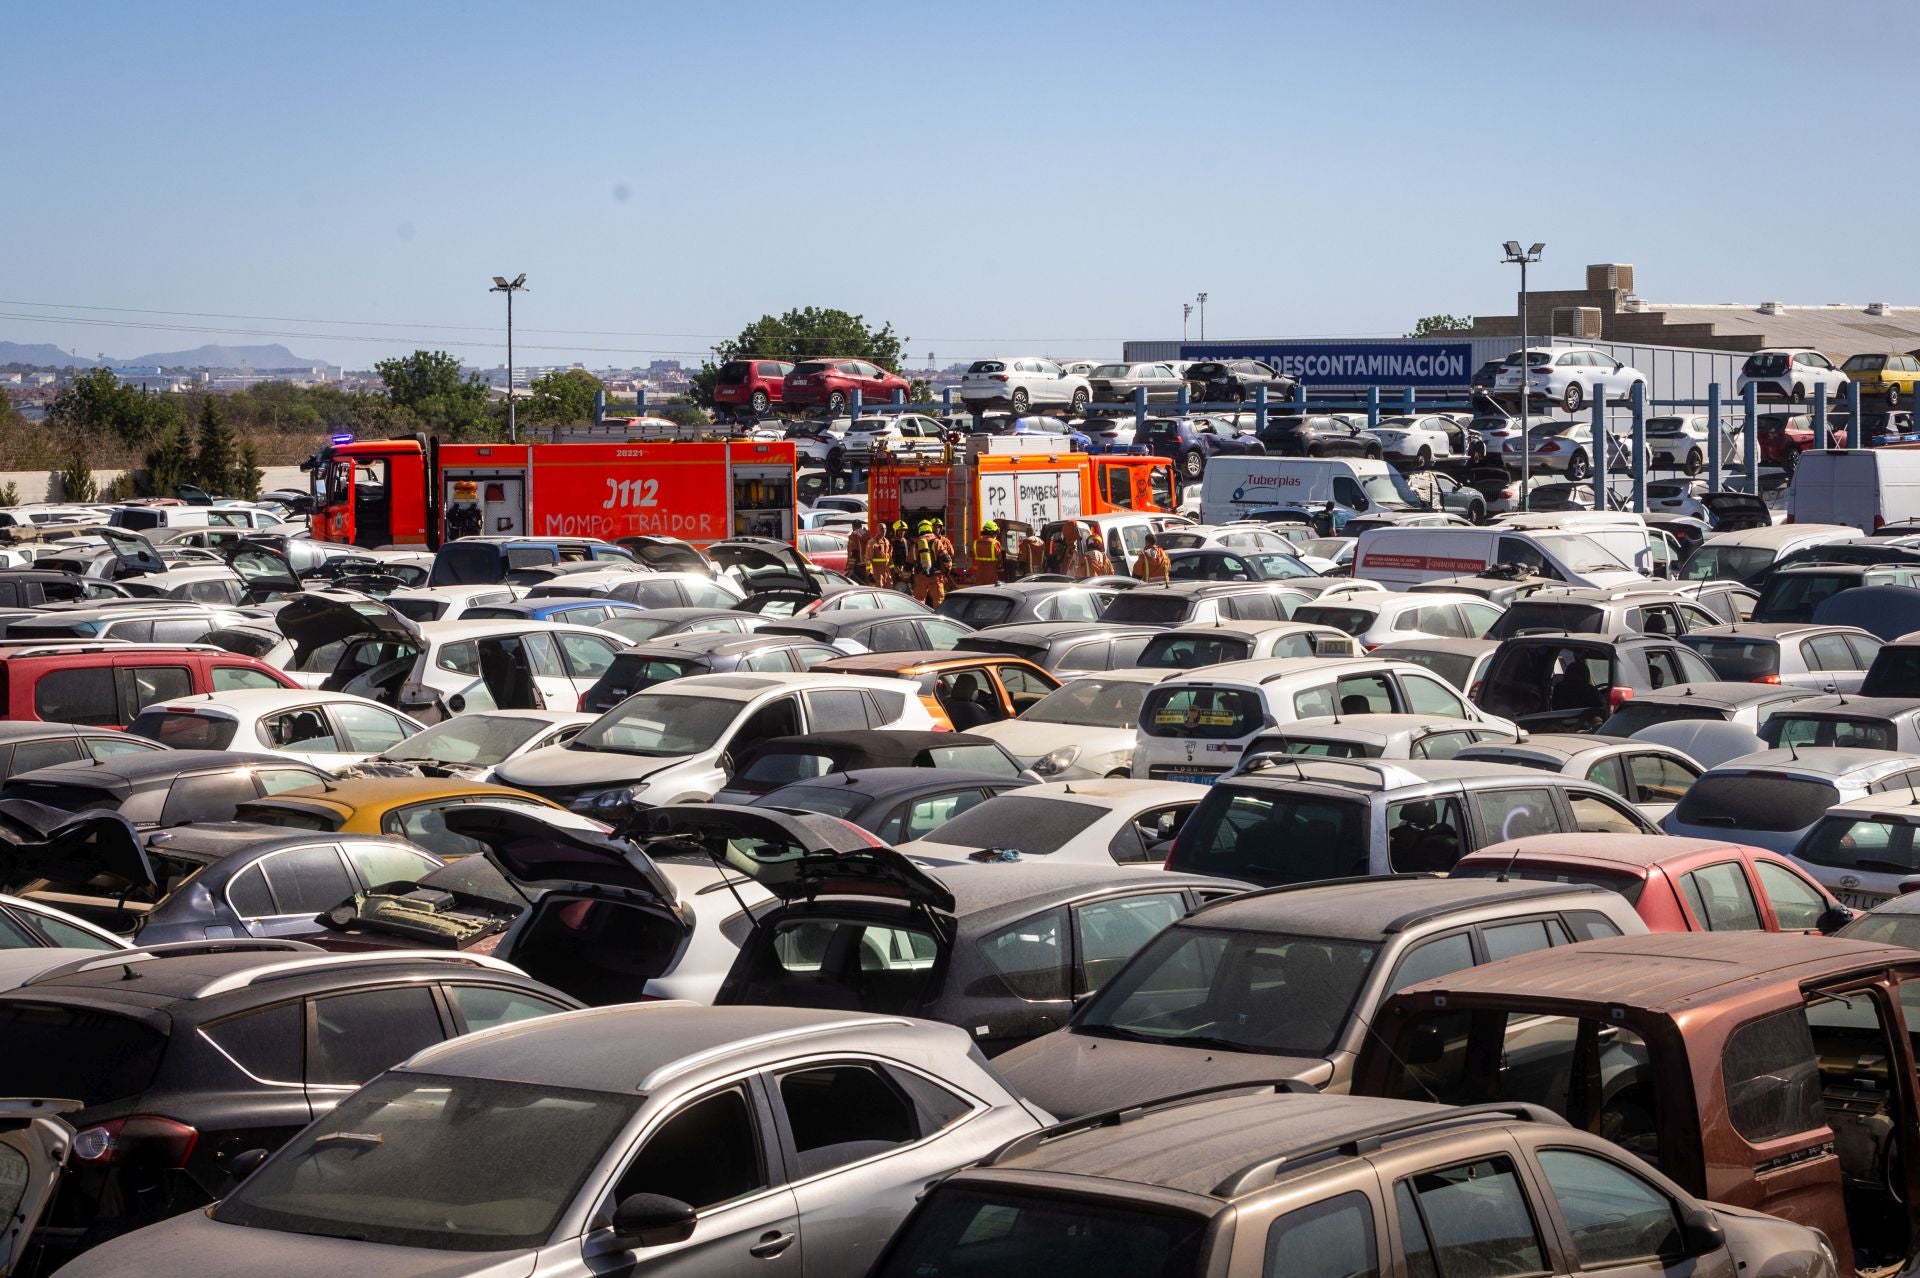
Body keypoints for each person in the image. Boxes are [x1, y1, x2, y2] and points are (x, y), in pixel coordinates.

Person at [865, 519, 897, 590]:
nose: (884, 530)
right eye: (882, 529)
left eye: (885, 529)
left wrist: (893, 570)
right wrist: (870, 573)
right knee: (879, 591)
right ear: (877, 530)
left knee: (889, 590)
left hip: (887, 572)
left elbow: (889, 558)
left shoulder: (887, 541)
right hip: (877, 572)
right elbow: (868, 559)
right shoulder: (872, 542)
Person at [972, 521, 1004, 585]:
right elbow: (1000, 559)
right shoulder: (995, 543)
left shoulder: (976, 542)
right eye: (996, 533)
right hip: (992, 573)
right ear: (993, 533)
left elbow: (973, 556)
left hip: (979, 573)